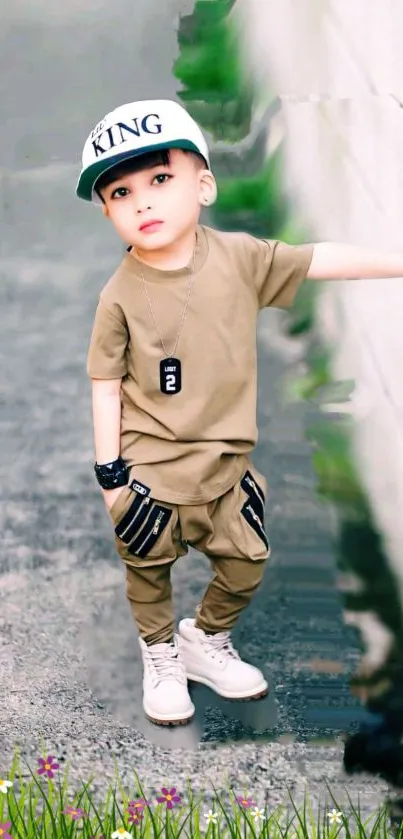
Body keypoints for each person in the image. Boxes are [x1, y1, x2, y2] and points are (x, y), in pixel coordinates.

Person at [76, 98, 403, 727]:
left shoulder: (240, 259)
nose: (142, 202)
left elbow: (316, 260)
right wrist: (111, 479)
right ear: (109, 212)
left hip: (225, 466)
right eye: (120, 193)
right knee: (149, 570)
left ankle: (206, 641)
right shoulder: (118, 296)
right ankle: (161, 653)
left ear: (204, 183)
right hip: (149, 469)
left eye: (160, 179)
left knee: (246, 561)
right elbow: (105, 384)